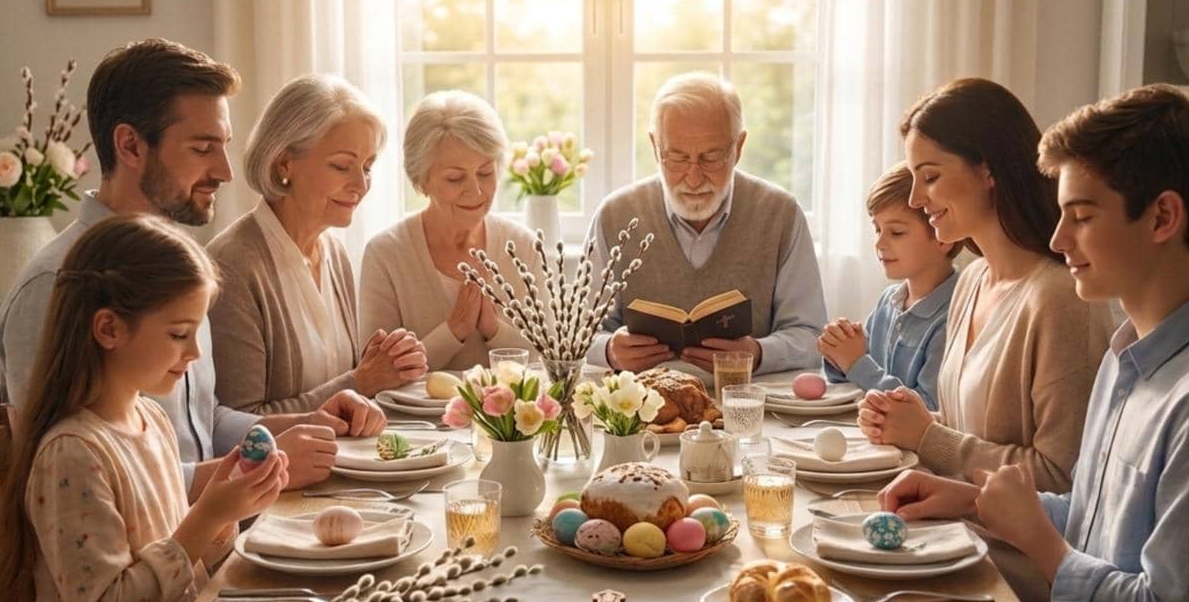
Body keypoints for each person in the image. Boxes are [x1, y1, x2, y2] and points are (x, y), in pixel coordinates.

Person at [878, 83, 1189, 602]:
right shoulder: (1125, 360)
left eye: (1082, 216)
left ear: (1161, 217)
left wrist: (1041, 543)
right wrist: (972, 499)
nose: (1058, 240)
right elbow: (1090, 523)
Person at [0, 39, 383, 493]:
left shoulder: (181, 269)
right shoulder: (56, 284)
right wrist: (246, 471)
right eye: (202, 148)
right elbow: (64, 480)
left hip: (202, 537)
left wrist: (306, 422)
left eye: (223, 147)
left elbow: (203, 423)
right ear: (130, 146)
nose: (225, 171)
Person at [0, 214, 290, 602]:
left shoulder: (149, 419)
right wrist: (209, 515)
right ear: (108, 329)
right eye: (179, 333)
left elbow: (176, 564)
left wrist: (230, 509)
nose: (194, 352)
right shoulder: (72, 453)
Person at [857, 78, 1114, 493]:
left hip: (1007, 553)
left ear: (988, 169)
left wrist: (927, 437)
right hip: (948, 528)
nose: (917, 199)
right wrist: (905, 423)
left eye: (930, 177)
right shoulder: (973, 280)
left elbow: (1063, 479)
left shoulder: (1061, 298)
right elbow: (969, 433)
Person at [209, 74, 427, 413]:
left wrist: (383, 365)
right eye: (342, 166)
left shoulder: (334, 253)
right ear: (284, 164)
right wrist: (361, 381)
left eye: (367, 167)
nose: (360, 184)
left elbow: (348, 388)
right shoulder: (232, 266)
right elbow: (240, 426)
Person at [585, 71, 826, 376]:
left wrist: (758, 352)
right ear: (654, 146)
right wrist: (610, 351)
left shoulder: (781, 214)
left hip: (747, 405)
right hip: (641, 411)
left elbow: (811, 334)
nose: (694, 177)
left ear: (738, 147)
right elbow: (581, 334)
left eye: (711, 157)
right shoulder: (614, 215)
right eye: (677, 157)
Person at [360, 90, 542, 371]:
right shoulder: (385, 254)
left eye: (485, 172)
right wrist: (453, 331)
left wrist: (494, 330)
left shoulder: (523, 246)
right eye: (455, 178)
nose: (476, 191)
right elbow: (375, 373)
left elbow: (549, 358)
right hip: (408, 417)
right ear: (420, 182)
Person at [820, 162, 960, 409]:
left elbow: (929, 408)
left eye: (896, 232)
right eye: (877, 229)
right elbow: (860, 378)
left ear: (942, 237)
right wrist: (838, 353)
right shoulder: (889, 301)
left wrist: (855, 362)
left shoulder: (955, 314)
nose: (879, 243)